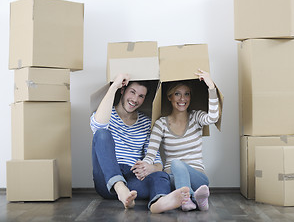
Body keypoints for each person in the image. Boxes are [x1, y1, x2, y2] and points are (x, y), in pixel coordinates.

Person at [90, 73, 190, 213]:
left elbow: (158, 163)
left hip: (132, 179)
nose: (135, 99)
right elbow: (98, 127)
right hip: (107, 182)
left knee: (161, 176)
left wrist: (151, 168)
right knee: (101, 134)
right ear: (123, 91)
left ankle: (158, 203)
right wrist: (114, 87)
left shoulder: (146, 123)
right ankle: (119, 188)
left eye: (141, 96)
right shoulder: (106, 114)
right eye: (132, 92)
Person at [140, 69, 220, 212]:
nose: (182, 99)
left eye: (186, 94)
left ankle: (188, 199)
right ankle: (196, 198)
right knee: (174, 168)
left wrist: (211, 87)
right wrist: (144, 166)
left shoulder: (196, 117)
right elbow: (151, 154)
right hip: (173, 179)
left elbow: (213, 118)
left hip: (198, 178)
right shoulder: (161, 124)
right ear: (170, 97)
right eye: (177, 94)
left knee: (178, 163)